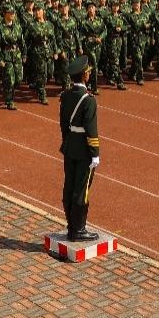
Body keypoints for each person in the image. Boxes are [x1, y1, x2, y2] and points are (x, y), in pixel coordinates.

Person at [60, 55, 101, 241]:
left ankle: (71, 226)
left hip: (69, 147)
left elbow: (63, 125)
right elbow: (91, 130)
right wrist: (95, 154)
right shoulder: (88, 100)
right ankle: (79, 230)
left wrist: (68, 143)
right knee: (81, 190)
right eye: (88, 72)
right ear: (84, 75)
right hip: (84, 150)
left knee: (69, 186)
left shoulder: (66, 95)